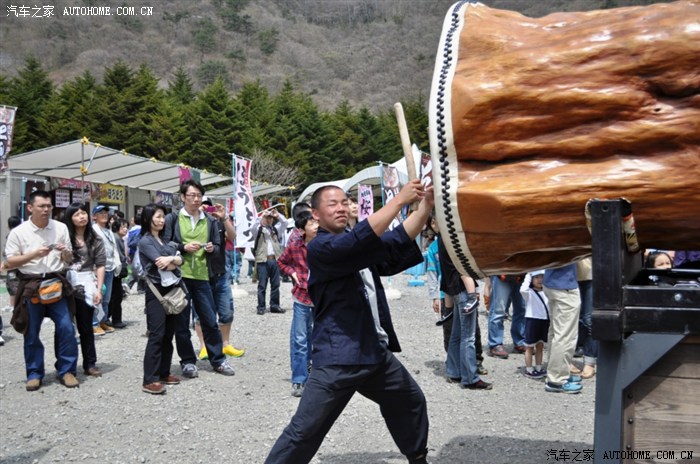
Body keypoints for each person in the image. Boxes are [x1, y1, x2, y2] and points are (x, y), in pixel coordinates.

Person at [265, 179, 433, 464]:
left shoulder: (358, 245)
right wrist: (399, 201)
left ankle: (417, 458)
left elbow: (397, 240)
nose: (341, 208)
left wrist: (426, 205)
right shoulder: (320, 247)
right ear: (316, 214)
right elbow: (354, 242)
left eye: (345, 202)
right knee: (305, 431)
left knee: (409, 400)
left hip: (373, 352)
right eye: (333, 204)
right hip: (339, 357)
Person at [4, 190, 79, 391]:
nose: (46, 210)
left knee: (66, 327)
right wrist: (34, 254)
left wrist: (65, 253)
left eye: (49, 206)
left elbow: (69, 259)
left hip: (56, 281)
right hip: (31, 284)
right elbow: (10, 261)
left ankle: (67, 370)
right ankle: (34, 373)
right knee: (31, 330)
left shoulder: (61, 227)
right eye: (42, 206)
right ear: (30, 207)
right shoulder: (18, 232)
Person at [162, 179, 235, 377]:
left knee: (209, 320)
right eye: (192, 195)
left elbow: (218, 245)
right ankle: (187, 361)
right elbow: (166, 244)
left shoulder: (210, 220)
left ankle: (218, 360)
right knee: (182, 323)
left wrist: (212, 248)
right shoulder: (174, 218)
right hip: (180, 277)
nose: (196, 199)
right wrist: (183, 247)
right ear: (183, 197)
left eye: (199, 195)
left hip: (203, 276)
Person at [138, 203, 185, 394]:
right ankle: (150, 379)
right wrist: (174, 258)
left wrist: (173, 259)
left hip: (171, 289)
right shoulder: (145, 241)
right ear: (147, 218)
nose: (161, 220)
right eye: (157, 216)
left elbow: (180, 260)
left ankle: (164, 372)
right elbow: (161, 263)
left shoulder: (165, 240)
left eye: (162, 217)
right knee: (156, 334)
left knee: (168, 333)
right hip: (155, 290)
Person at [194, 196, 245, 359]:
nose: (206, 209)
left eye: (208, 206)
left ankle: (225, 344)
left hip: (221, 273)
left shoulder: (218, 222)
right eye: (203, 206)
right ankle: (204, 346)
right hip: (201, 275)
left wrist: (224, 218)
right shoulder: (193, 224)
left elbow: (233, 237)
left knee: (227, 311)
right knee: (201, 313)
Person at [438, 233, 491, 390]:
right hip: (463, 291)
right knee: (468, 337)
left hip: (453, 290)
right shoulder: (453, 237)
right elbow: (463, 269)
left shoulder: (441, 238)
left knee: (456, 335)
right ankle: (470, 378)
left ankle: (454, 371)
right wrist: (472, 294)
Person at [277, 211, 318, 397]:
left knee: (319, 338)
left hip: (321, 298)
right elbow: (282, 262)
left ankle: (317, 377)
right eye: (311, 224)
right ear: (301, 230)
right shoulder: (295, 246)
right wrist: (292, 273)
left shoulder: (324, 243)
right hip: (301, 297)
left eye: (316, 222)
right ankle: (299, 380)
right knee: (301, 339)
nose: (316, 226)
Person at [64, 203, 106, 377]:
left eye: (83, 213)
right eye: (76, 214)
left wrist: (99, 289)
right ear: (69, 218)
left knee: (86, 326)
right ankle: (65, 366)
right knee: (65, 327)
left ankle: (90, 363)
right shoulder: (64, 237)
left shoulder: (95, 239)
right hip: (65, 284)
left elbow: (100, 264)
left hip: (86, 284)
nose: (82, 216)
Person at [543, 264, 583, 394]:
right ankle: (557, 379)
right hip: (564, 286)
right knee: (565, 335)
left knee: (556, 332)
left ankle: (556, 372)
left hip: (552, 282)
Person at [251, 207, 287, 315]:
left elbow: (285, 223)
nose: (269, 219)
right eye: (267, 218)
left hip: (275, 260)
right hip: (262, 260)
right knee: (262, 285)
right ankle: (261, 306)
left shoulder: (275, 229)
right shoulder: (258, 230)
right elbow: (252, 228)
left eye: (270, 218)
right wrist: (261, 217)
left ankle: (274, 306)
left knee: (276, 284)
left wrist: (278, 215)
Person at [91, 205, 121, 335]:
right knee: (96, 297)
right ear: (94, 216)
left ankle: (103, 321)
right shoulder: (93, 230)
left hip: (109, 267)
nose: (104, 215)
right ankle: (94, 323)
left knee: (106, 298)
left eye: (106, 213)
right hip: (98, 268)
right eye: (100, 213)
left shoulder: (108, 231)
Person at [484, 274, 526, 358]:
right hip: (502, 273)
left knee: (522, 310)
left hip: (522, 274)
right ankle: (495, 345)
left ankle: (520, 342)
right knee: (498, 311)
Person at [519, 270, 549, 380]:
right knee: (529, 346)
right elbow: (522, 289)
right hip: (532, 320)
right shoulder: (529, 293)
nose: (540, 280)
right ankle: (529, 369)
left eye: (542, 277)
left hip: (545, 320)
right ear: (531, 279)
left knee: (540, 345)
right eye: (536, 277)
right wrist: (528, 274)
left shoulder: (547, 291)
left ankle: (539, 367)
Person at [1, 216, 22, 346]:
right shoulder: (22, 233)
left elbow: (8, 254)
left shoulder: (11, 235)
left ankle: (16, 311)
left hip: (13, 267)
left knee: (13, 287)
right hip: (20, 267)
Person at [575, 258, 596, 380]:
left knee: (589, 320)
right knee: (571, 321)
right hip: (567, 277)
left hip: (591, 275)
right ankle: (566, 360)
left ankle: (589, 362)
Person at [109, 218, 129, 329]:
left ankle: (113, 318)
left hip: (117, 269)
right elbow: (118, 255)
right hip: (115, 270)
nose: (125, 229)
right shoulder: (116, 238)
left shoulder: (119, 238)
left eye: (126, 227)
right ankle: (115, 319)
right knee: (116, 295)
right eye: (123, 227)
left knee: (116, 295)